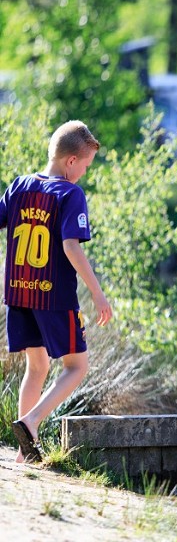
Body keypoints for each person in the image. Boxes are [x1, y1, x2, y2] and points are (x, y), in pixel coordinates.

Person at [1, 120, 113, 463]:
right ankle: (31, 422)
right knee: (77, 366)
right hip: (53, 296)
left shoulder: (20, 185)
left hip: (19, 293)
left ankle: (24, 453)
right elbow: (71, 247)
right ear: (70, 162)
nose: (83, 174)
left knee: (37, 367)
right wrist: (97, 293)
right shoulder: (70, 193)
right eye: (85, 166)